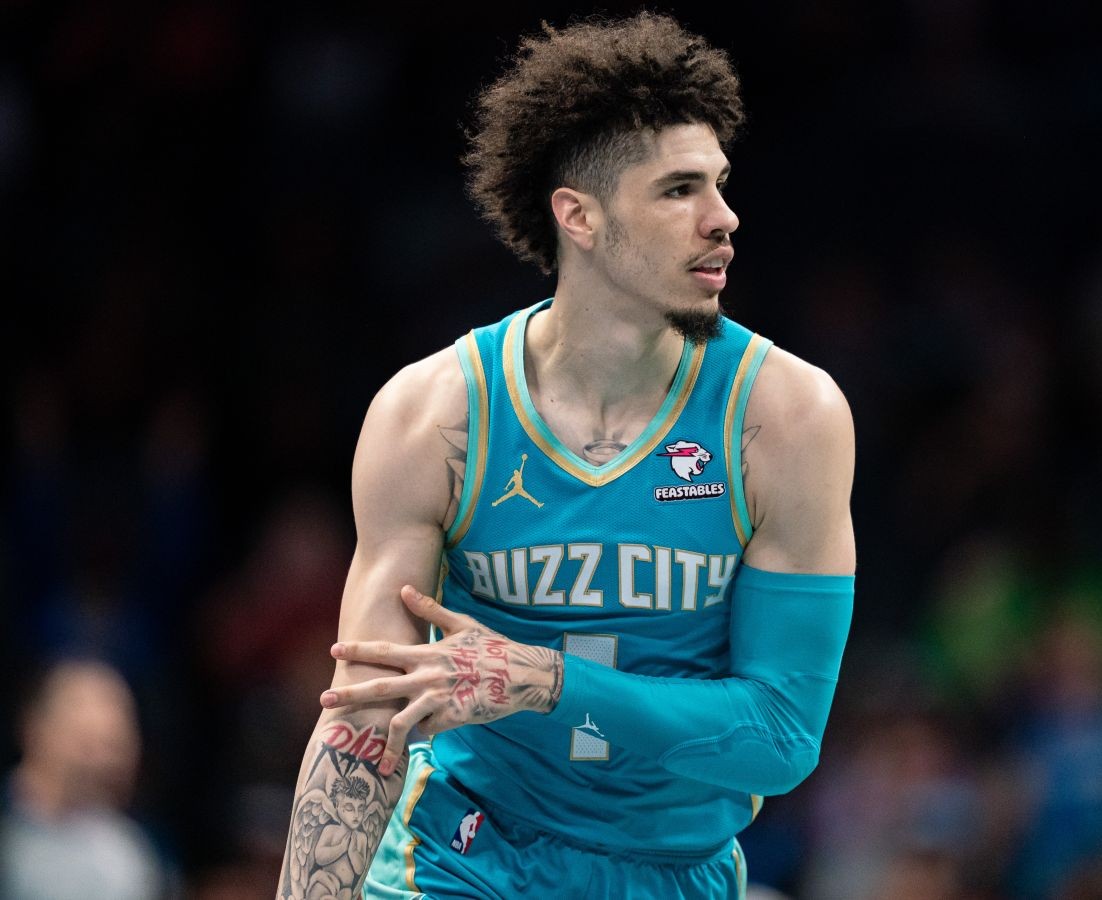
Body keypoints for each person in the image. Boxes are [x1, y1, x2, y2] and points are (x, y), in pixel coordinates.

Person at [277, 12, 855, 899]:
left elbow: (781, 738)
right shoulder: (434, 414)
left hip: (673, 869)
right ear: (578, 215)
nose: (724, 218)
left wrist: (549, 680)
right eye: (679, 190)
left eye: (720, 184)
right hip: (461, 855)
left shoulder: (786, 417)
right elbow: (363, 720)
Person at [1, 660, 169, 900]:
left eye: (112, 747)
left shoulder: (130, 854)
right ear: (34, 730)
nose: (102, 765)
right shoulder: (10, 838)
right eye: (87, 745)